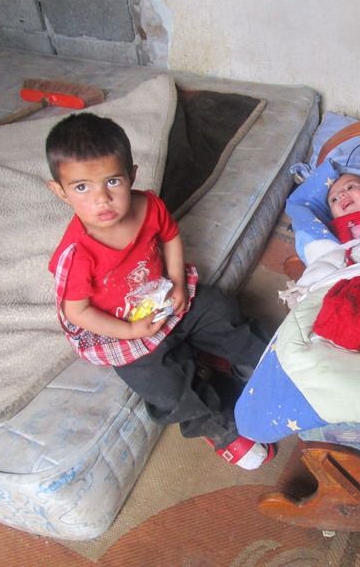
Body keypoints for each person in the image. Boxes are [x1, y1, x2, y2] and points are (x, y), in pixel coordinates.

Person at [45, 113, 274, 470]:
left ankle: (263, 365)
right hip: (119, 326)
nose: (102, 199)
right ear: (60, 191)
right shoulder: (77, 255)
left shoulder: (149, 206)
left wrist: (178, 281)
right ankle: (220, 428)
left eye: (113, 181)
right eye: (82, 188)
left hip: (165, 297)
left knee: (220, 309)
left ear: (132, 175)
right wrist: (130, 331)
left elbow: (170, 238)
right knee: (160, 386)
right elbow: (78, 311)